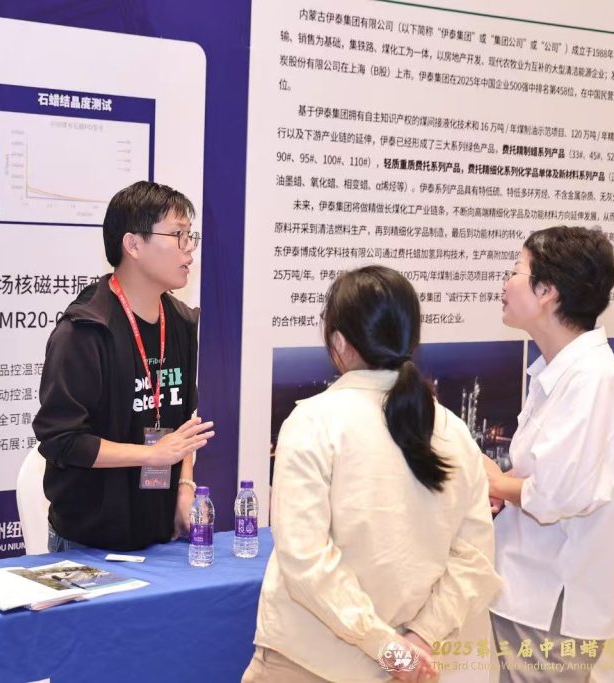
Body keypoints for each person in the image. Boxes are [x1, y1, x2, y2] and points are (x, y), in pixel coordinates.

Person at [245, 266, 500, 683]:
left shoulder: (314, 422)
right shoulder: (452, 430)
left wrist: (389, 648)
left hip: (314, 663)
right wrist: (417, 640)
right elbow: (475, 557)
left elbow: (305, 560)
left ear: (338, 343)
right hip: (416, 662)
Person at [484, 226, 614, 682]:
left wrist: (496, 482)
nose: (505, 283)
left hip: (553, 600)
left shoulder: (593, 378)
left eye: (516, 271)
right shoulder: (560, 370)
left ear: (547, 291)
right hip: (532, 588)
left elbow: (558, 494)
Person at [33, 180, 214, 552]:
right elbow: (62, 440)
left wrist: (184, 487)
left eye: (190, 235)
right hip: (90, 545)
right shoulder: (86, 330)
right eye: (177, 235)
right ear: (133, 245)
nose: (189, 248)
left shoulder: (182, 323)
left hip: (161, 537)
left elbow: (183, 429)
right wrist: (151, 455)